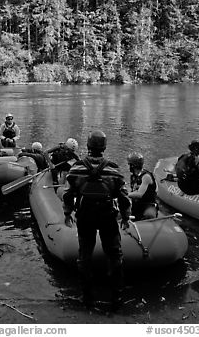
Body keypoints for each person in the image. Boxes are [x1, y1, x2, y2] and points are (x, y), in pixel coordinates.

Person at [62, 130, 131, 310]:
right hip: (107, 215)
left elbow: (69, 194)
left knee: (84, 256)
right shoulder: (113, 169)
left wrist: (67, 213)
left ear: (88, 146)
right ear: (104, 147)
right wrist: (125, 218)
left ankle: (87, 298)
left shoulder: (76, 168)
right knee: (114, 255)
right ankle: (117, 297)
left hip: (85, 216)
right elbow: (123, 197)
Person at [127, 152, 158, 220]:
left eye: (129, 164)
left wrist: (125, 194)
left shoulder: (146, 177)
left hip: (148, 206)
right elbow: (132, 191)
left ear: (133, 165)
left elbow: (139, 194)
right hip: (137, 205)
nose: (128, 166)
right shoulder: (133, 176)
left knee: (148, 215)